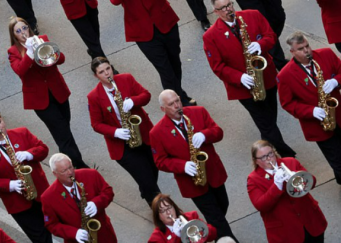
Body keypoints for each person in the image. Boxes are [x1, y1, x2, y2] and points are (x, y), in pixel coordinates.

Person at [278, 31, 341, 212]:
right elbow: (287, 104)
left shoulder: (326, 54)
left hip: (339, 115)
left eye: (307, 46)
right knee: (340, 160)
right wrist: (311, 111)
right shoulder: (285, 75)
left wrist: (335, 82)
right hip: (317, 125)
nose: (307, 51)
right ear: (292, 52)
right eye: (301, 49)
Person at [203, 0, 295, 157]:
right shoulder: (210, 36)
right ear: (216, 12)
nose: (228, 9)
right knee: (265, 123)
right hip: (243, 88)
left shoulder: (253, 15)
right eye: (222, 8)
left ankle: (265, 153)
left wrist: (260, 45)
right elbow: (217, 66)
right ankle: (287, 155)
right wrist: (239, 77)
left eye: (229, 4)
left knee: (269, 120)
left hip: (266, 77)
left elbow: (271, 36)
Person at [108, 0, 196, 106]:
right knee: (165, 68)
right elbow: (114, 0)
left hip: (165, 22)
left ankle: (177, 92)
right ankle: (177, 101)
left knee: (175, 61)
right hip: (143, 33)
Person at [150, 89, 237, 241]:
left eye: (177, 100)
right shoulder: (156, 133)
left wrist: (205, 134)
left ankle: (212, 232)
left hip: (213, 173)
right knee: (216, 217)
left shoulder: (198, 112)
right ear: (163, 109)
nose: (177, 105)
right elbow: (160, 161)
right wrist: (182, 166)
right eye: (171, 104)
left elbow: (218, 132)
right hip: (192, 183)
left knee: (222, 205)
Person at [7, 17, 88, 169]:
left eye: (24, 28)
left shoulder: (42, 39)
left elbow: (61, 59)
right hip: (40, 100)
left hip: (58, 91)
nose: (23, 32)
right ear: (14, 35)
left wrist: (45, 48)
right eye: (18, 31)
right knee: (63, 133)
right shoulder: (13, 52)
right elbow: (20, 71)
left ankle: (65, 160)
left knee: (64, 129)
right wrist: (30, 53)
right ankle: (80, 166)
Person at [87, 57, 161, 206]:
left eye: (108, 69)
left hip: (143, 134)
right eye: (101, 72)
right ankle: (160, 210)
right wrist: (115, 132)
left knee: (153, 170)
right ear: (96, 76)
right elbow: (96, 124)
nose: (107, 73)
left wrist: (134, 101)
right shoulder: (94, 96)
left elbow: (146, 95)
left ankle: (146, 188)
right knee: (148, 181)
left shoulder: (126, 79)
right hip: (122, 145)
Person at [0, 110, 52, 242]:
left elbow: (43, 149)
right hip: (18, 203)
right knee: (40, 237)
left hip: (41, 193)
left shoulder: (22, 133)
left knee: (54, 226)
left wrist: (29, 154)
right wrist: (10, 185)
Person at [247, 140, 327, 243]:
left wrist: (298, 175)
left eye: (270, 154)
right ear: (256, 161)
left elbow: (312, 182)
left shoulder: (290, 162)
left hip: (311, 221)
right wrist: (276, 186)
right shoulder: (253, 179)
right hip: (287, 232)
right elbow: (261, 205)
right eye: (263, 157)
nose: (268, 159)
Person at [41, 153, 117, 243]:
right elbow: (52, 225)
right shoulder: (48, 197)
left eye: (70, 167)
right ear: (55, 174)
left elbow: (108, 192)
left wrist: (96, 204)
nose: (70, 172)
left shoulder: (91, 174)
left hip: (104, 235)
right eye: (64, 171)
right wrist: (74, 233)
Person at [149, 193, 218, 243]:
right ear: (158, 217)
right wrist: (175, 236)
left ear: (174, 207)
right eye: (163, 211)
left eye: (169, 207)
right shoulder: (156, 237)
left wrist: (200, 230)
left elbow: (214, 234)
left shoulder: (191, 216)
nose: (168, 212)